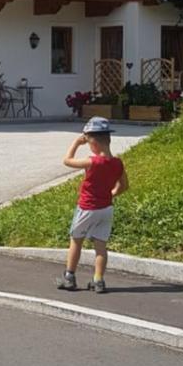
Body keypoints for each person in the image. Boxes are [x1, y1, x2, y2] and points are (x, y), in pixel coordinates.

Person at [56, 116, 128, 295]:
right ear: (108, 139)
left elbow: (67, 160)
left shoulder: (91, 162)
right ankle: (98, 280)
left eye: (88, 142)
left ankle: (69, 276)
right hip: (106, 209)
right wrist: (111, 194)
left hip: (86, 208)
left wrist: (76, 143)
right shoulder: (117, 163)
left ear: (93, 143)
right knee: (101, 245)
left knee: (76, 240)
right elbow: (124, 186)